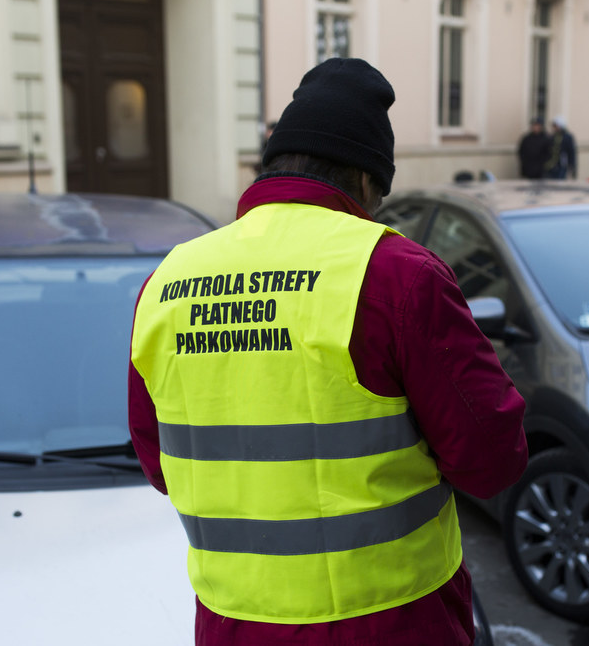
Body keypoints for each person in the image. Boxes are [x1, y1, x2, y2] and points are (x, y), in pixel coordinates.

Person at [128, 57, 528, 646]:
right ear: (366, 181)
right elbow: (492, 459)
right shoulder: (395, 274)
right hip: (392, 623)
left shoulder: (167, 281)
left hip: (232, 625)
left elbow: (161, 465)